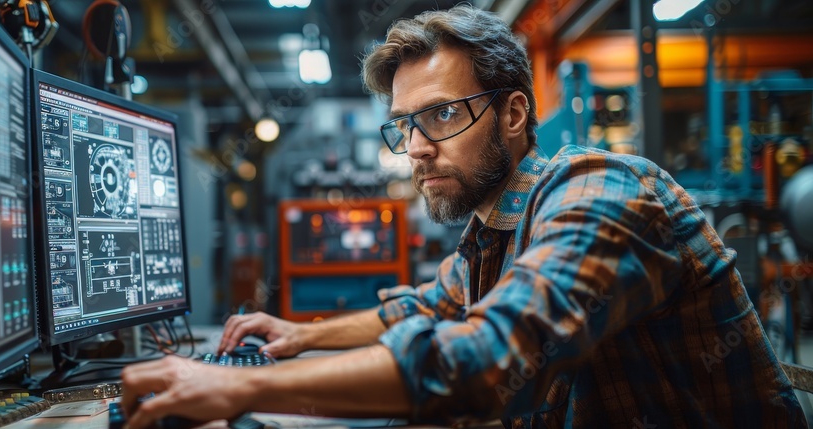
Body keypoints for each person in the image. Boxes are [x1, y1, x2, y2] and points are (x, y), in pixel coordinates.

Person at [121, 5, 806, 427]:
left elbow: (487, 358)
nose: (416, 149)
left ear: (513, 113)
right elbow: (426, 306)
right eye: (404, 126)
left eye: (442, 115)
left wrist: (237, 383)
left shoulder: (598, 191)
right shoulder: (492, 231)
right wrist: (297, 337)